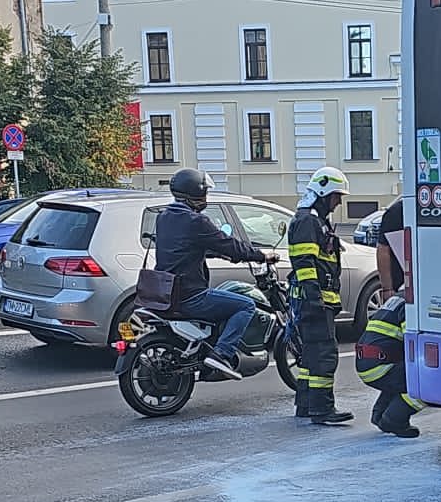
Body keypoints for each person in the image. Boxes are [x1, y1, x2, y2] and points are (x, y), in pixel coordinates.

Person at [154, 168, 276, 379]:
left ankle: (207, 348)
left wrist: (214, 254)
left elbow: (183, 247)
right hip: (190, 295)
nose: (206, 197)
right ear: (195, 193)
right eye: (205, 192)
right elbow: (230, 245)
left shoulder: (165, 217)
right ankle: (222, 354)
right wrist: (261, 255)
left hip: (165, 294)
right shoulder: (196, 221)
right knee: (245, 305)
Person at [288, 166, 354, 425]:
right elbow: (305, 263)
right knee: (325, 354)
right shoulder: (308, 221)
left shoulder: (313, 218)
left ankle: (306, 405)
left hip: (313, 299)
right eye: (337, 196)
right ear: (324, 192)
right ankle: (322, 408)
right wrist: (314, 297)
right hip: (314, 300)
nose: (338, 202)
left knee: (311, 355)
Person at [355, 292, 425, 439]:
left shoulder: (398, 298)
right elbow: (412, 341)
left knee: (399, 378)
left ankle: (379, 414)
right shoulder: (413, 303)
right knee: (428, 381)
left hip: (368, 363)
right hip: (380, 365)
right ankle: (394, 420)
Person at [376, 195, 405, 298]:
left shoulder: (396, 211)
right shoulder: (397, 213)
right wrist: (387, 289)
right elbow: (383, 250)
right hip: (401, 287)